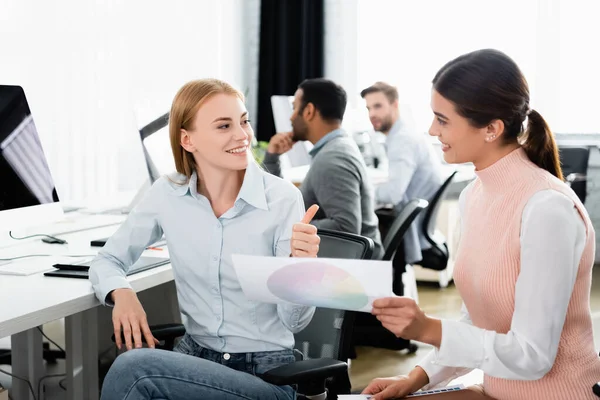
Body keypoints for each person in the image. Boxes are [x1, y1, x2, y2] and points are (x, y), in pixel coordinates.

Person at [362, 49, 600, 400]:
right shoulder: (474, 195)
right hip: (496, 390)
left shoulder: (548, 209)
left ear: (492, 129)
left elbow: (532, 356)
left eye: (442, 120)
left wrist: (429, 328)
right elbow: (478, 322)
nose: (431, 130)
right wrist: (418, 377)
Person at [90, 78, 322, 400]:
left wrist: (300, 269)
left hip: (265, 373)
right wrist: (122, 291)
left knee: (133, 370)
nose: (242, 136)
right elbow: (108, 260)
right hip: (194, 357)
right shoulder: (167, 194)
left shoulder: (282, 199)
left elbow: (293, 322)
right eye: (224, 126)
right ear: (188, 140)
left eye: (243, 122)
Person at [263, 78, 384, 259]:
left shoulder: (332, 158)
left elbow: (347, 228)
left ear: (309, 111)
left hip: (351, 269)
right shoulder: (337, 147)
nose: (291, 116)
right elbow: (282, 201)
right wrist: (272, 157)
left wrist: (294, 225)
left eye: (295, 107)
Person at [360, 82, 443, 264]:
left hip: (410, 232)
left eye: (378, 106)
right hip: (416, 226)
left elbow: (393, 193)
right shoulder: (404, 134)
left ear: (395, 104)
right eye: (368, 108)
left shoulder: (402, 140)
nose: (372, 114)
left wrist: (365, 190)